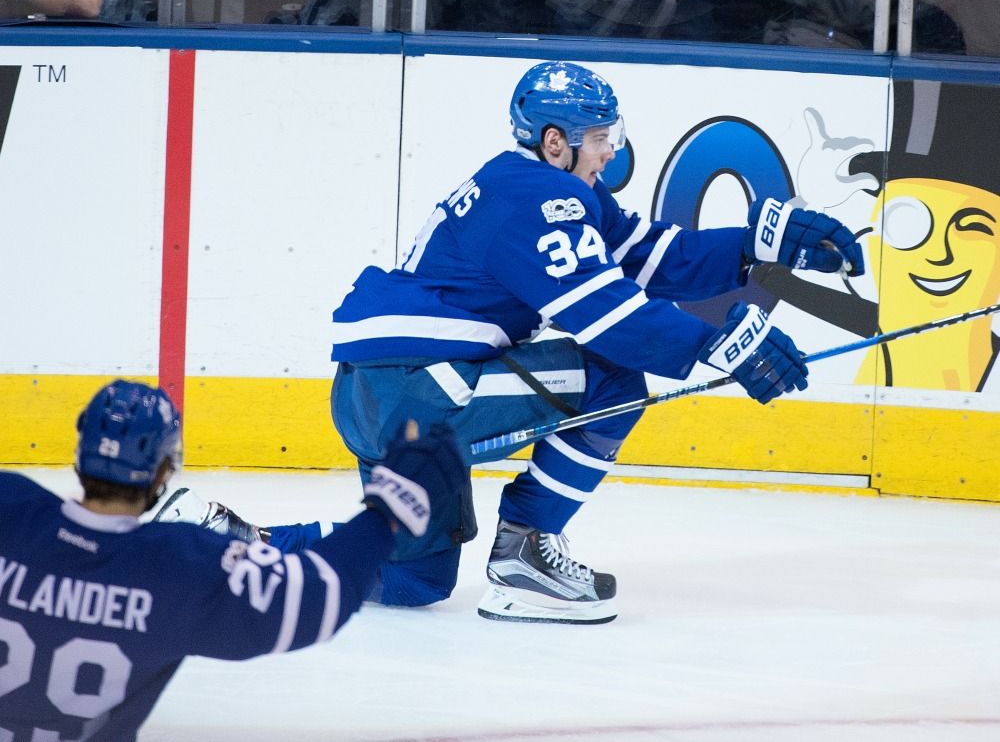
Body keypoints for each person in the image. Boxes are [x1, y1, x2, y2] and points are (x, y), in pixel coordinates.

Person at [165, 60, 864, 624]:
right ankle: (526, 548)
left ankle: (234, 546)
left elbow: (650, 257)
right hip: (421, 387)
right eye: (599, 140)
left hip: (384, 392)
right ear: (555, 141)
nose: (610, 154)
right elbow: (609, 318)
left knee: (412, 579)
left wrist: (765, 242)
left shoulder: (534, 187)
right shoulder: (538, 199)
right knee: (613, 377)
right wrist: (728, 344)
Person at [0, 379, 463, 741]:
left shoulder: (10, 509)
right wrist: (386, 513)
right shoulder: (176, 566)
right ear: (164, 470)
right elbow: (317, 594)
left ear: (80, 455)